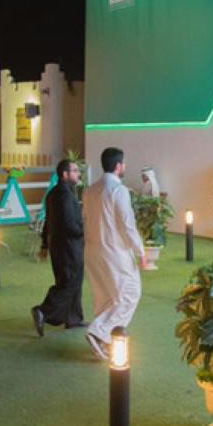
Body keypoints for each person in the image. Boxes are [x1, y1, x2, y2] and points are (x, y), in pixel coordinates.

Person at [83, 147, 145, 360]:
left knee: (105, 296)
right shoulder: (119, 191)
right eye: (124, 163)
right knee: (130, 293)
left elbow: (85, 219)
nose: (125, 166)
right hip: (114, 251)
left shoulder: (90, 190)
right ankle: (98, 332)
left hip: (92, 249)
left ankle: (103, 339)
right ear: (118, 166)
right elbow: (127, 225)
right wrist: (140, 251)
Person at [31, 159, 87, 336]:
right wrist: (85, 232)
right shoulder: (65, 195)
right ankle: (43, 311)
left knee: (69, 281)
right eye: (75, 171)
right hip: (69, 247)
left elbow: (48, 222)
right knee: (70, 282)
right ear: (65, 174)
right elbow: (70, 225)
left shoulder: (53, 194)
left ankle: (73, 318)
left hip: (58, 246)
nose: (78, 173)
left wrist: (45, 244)